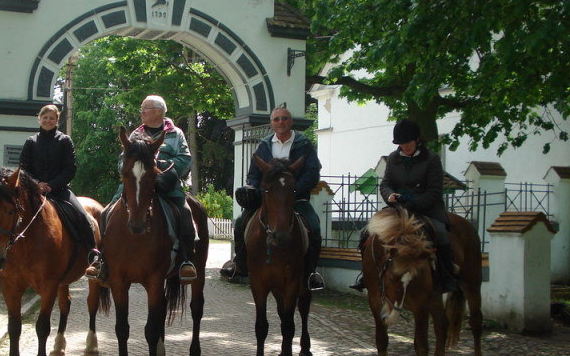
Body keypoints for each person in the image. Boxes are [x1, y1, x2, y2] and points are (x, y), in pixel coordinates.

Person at [85, 95, 198, 283]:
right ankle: (102, 259)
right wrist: (132, 167)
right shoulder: (135, 135)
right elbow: (122, 160)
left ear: (159, 111)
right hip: (135, 183)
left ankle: (186, 260)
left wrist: (158, 167)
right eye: (141, 109)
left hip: (166, 182)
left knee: (185, 212)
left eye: (146, 109)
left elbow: (185, 159)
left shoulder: (175, 134)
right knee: (106, 213)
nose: (142, 112)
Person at [220, 106, 324, 290]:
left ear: (291, 122)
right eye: (277, 119)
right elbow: (253, 174)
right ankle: (240, 264)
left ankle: (310, 273)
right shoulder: (264, 145)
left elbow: (312, 172)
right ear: (272, 123)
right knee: (241, 223)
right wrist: (253, 188)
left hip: (295, 197)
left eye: (284, 118)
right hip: (267, 198)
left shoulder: (304, 144)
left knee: (314, 227)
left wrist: (292, 192)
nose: (281, 122)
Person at [349, 118, 458, 292]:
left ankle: (447, 276)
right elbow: (385, 184)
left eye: (407, 143)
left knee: (440, 233)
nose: (404, 147)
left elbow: (434, 191)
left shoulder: (431, 159)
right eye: (401, 144)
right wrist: (389, 195)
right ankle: (366, 274)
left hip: (427, 209)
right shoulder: (393, 158)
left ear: (417, 140)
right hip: (398, 208)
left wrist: (414, 203)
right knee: (367, 232)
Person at [18, 104, 96, 254]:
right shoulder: (30, 142)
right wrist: (36, 184)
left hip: (59, 190)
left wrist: (52, 185)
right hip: (34, 192)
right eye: (45, 117)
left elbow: (70, 168)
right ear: (39, 119)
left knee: (82, 216)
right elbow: (23, 168)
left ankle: (93, 253)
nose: (48, 120)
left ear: (57, 120)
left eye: (52, 118)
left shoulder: (65, 140)